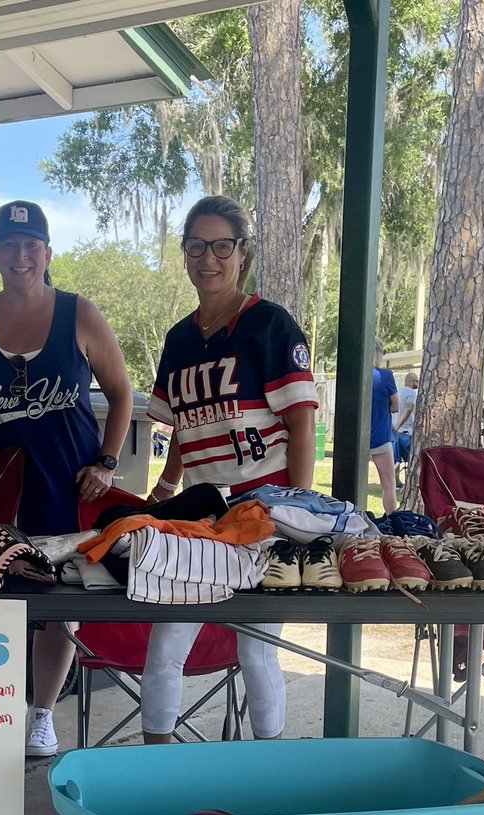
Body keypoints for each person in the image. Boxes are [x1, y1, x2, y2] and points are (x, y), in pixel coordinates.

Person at [0, 200, 133, 756]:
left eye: (32, 245)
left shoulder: (80, 314)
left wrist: (107, 460)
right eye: (9, 245)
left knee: (58, 605)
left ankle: (40, 714)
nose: (21, 255)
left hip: (65, 486)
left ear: (47, 253)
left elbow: (121, 394)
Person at [143, 195, 318, 745]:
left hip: (262, 509)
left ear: (243, 252)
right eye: (197, 246)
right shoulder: (177, 339)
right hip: (199, 514)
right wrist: (167, 483)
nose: (208, 258)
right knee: (167, 641)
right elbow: (180, 422)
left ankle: (266, 765)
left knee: (256, 647)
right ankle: (154, 772)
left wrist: (297, 510)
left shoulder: (269, 324)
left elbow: (302, 423)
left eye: (222, 245)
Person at [368, 340, 400, 516]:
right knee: (388, 484)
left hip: (357, 437)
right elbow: (396, 406)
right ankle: (391, 518)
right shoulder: (385, 375)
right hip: (380, 434)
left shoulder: (356, 375)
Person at [393, 368, 418, 471]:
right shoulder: (412, 393)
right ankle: (408, 481)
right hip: (407, 432)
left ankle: (397, 483)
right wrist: (399, 425)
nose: (417, 383)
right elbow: (409, 409)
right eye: (416, 381)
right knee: (410, 459)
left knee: (396, 459)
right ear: (411, 381)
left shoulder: (398, 392)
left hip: (395, 432)